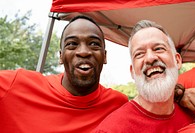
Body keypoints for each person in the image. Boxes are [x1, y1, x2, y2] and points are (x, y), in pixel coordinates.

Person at [0, 15, 128, 133]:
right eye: (72, 44)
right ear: (61, 56)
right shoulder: (16, 84)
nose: (83, 52)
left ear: (104, 56)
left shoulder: (118, 105)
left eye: (94, 44)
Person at [92, 20, 195, 133]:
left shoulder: (191, 113)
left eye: (158, 48)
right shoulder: (111, 130)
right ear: (132, 72)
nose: (150, 58)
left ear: (177, 60)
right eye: (139, 54)